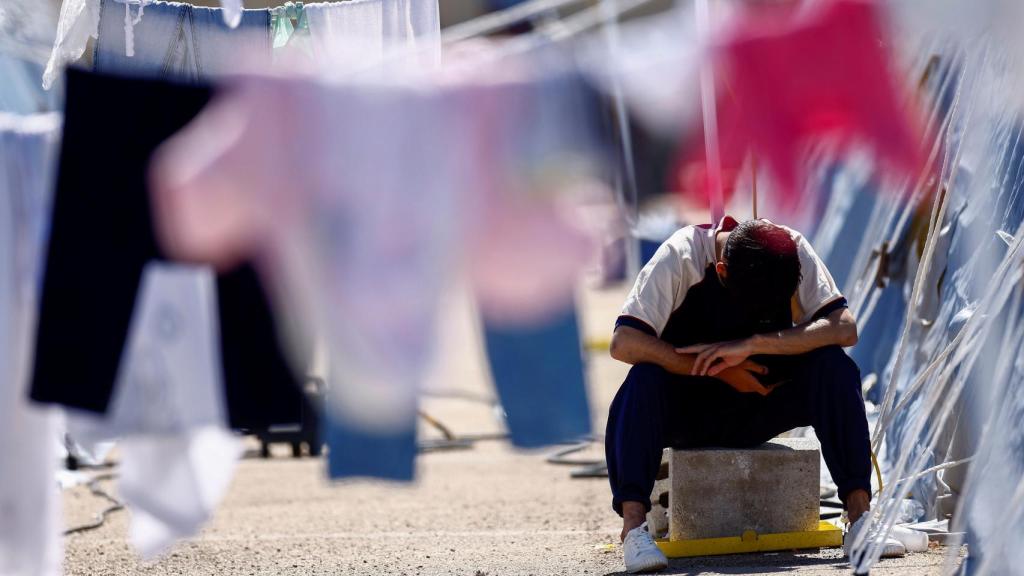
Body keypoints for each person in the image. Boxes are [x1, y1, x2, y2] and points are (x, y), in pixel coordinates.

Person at [606, 216, 896, 574]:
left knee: (834, 367)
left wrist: (753, 344)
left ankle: (860, 517)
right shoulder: (680, 256)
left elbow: (844, 326)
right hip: (690, 408)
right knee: (642, 381)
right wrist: (720, 368)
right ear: (723, 271)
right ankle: (634, 529)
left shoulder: (789, 248)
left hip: (763, 399)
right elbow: (624, 342)